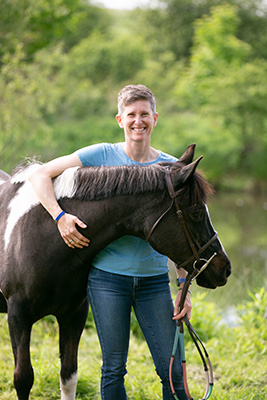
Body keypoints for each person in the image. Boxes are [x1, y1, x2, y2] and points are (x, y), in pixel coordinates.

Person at [29, 84, 192, 400]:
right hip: (108, 281)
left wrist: (183, 288)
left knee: (172, 370)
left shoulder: (172, 168)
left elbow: (184, 230)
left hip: (155, 283)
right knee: (114, 369)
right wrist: (59, 216)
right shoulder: (101, 154)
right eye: (131, 115)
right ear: (120, 119)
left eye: (144, 114)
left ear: (155, 118)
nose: (138, 121)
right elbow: (40, 174)